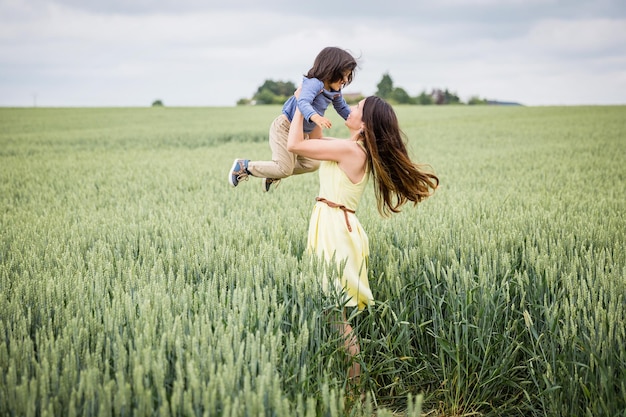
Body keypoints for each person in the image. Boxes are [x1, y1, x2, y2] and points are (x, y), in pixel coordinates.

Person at [286, 93, 439, 397]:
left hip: (335, 228)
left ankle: (354, 392)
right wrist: (315, 106)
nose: (350, 109)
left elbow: (294, 145)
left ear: (366, 124)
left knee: (335, 316)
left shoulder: (350, 150)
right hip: (331, 224)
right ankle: (350, 389)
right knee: (332, 313)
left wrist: (299, 102)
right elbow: (315, 140)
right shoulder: (351, 148)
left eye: (356, 108)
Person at [228, 46, 358, 192]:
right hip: (285, 127)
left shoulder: (334, 91)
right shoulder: (315, 83)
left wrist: (358, 122)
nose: (345, 80)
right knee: (285, 169)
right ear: (331, 70)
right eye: (344, 75)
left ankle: (272, 172)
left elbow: (342, 108)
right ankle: (245, 166)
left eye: (348, 76)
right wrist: (316, 117)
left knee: (312, 164)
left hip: (302, 133)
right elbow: (302, 101)